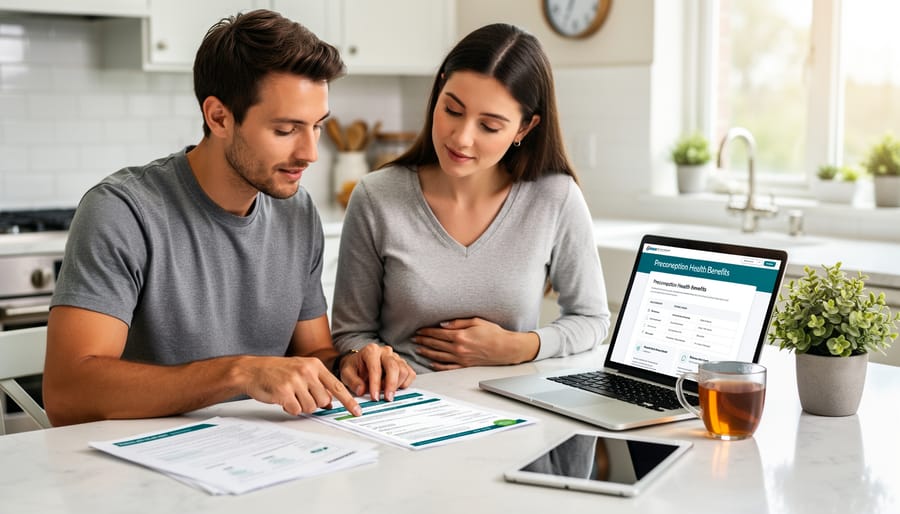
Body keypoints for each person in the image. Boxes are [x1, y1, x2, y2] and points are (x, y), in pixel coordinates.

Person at [43, 9, 415, 427]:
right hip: (143, 464)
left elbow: (314, 353)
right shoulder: (122, 212)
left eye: (317, 127)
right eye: (286, 130)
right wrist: (240, 372)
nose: (310, 153)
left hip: (260, 454)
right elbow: (67, 393)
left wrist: (349, 364)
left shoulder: (297, 210)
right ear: (218, 117)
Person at [331, 23, 610, 374]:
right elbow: (350, 333)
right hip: (404, 406)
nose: (461, 138)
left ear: (524, 128)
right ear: (440, 88)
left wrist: (521, 346)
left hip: (513, 408)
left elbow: (592, 319)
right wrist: (372, 360)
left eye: (489, 126)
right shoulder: (376, 197)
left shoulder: (555, 197)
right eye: (452, 110)